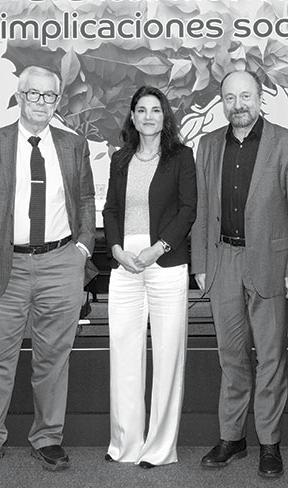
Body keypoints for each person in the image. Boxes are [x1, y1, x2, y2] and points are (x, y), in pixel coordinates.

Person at [0, 66, 96, 475]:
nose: (40, 102)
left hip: (60, 263)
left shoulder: (74, 145)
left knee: (53, 357)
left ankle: (48, 437)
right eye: (32, 94)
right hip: (5, 265)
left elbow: (86, 199)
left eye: (48, 96)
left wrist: (82, 249)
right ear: (19, 97)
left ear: (58, 101)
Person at [191, 69, 288, 479]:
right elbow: (201, 211)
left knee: (271, 357)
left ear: (259, 98)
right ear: (222, 102)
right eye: (230, 98)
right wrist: (201, 264)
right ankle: (232, 438)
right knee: (231, 357)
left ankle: (269, 443)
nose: (238, 105)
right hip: (223, 260)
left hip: (272, 265)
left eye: (245, 96)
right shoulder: (207, 145)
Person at [101, 86, 197, 468]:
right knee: (123, 353)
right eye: (141, 110)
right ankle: (124, 445)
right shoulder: (120, 158)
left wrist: (158, 249)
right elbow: (109, 210)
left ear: (164, 117)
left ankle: (159, 448)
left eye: (155, 110)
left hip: (165, 262)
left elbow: (188, 210)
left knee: (168, 355)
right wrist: (116, 251)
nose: (148, 117)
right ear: (133, 117)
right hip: (125, 263)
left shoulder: (180, 157)